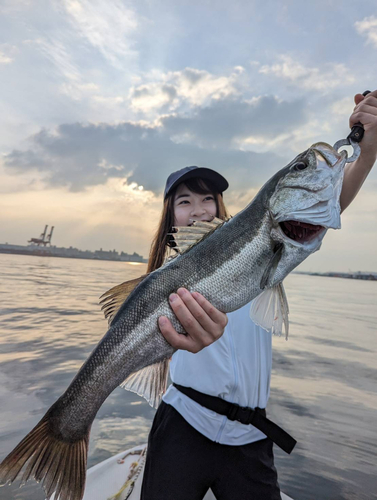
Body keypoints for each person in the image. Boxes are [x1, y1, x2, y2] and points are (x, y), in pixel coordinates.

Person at [140, 91, 377, 500]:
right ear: (169, 216)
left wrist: (368, 149)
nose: (198, 210)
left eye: (207, 199)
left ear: (221, 206)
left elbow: (325, 203)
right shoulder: (164, 283)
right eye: (184, 201)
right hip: (182, 422)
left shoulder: (259, 247)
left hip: (251, 435)